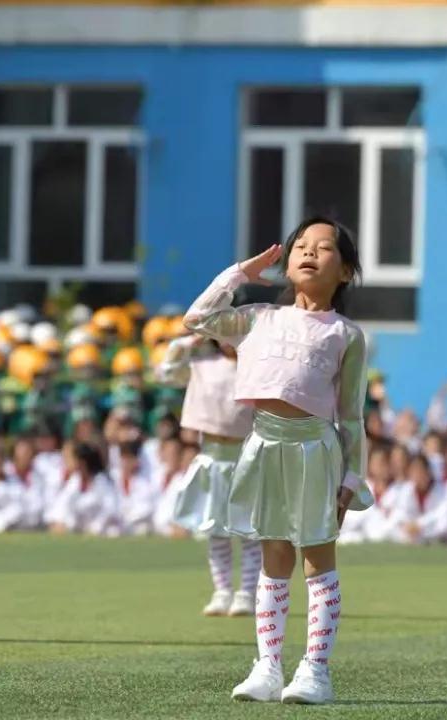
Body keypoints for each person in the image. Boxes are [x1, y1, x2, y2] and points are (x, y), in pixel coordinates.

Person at [184, 217, 373, 704]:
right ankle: (267, 667)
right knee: (274, 559)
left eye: (325, 248)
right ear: (286, 264)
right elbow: (197, 319)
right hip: (263, 445)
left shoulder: (345, 334)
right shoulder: (257, 319)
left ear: (346, 271)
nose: (309, 252)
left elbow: (351, 417)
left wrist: (352, 478)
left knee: (317, 560)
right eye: (301, 246)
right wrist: (239, 274)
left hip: (316, 450)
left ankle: (315, 671)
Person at [156, 333, 260, 617]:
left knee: (249, 531)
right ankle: (222, 590)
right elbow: (165, 373)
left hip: (246, 457)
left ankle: (247, 593)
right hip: (212, 458)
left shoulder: (258, 366)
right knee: (215, 530)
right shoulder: (202, 366)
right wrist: (187, 342)